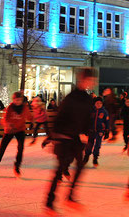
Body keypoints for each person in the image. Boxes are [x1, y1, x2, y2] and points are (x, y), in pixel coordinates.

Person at [45, 67, 95, 212]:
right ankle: (49, 201)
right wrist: (54, 137)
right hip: (64, 136)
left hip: (76, 138)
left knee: (80, 165)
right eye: (89, 80)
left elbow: (87, 118)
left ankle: (70, 196)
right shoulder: (71, 97)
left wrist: (86, 132)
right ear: (83, 80)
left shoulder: (87, 98)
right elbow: (60, 116)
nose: (91, 83)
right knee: (60, 169)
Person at [0, 91, 32, 177]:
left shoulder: (24, 108)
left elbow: (29, 116)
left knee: (20, 148)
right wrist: (7, 125)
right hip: (10, 130)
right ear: (13, 100)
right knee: (2, 148)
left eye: (19, 100)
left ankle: (17, 166)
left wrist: (32, 121)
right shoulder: (10, 108)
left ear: (22, 100)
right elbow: (4, 119)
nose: (18, 102)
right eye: (16, 100)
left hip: (20, 129)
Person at [83, 97, 109, 166]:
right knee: (89, 144)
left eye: (100, 103)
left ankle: (95, 158)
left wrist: (107, 131)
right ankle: (86, 156)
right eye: (97, 103)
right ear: (94, 104)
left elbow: (107, 122)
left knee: (97, 144)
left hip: (100, 131)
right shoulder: (91, 111)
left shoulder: (104, 112)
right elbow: (87, 120)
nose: (99, 105)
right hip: (91, 130)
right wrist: (85, 129)